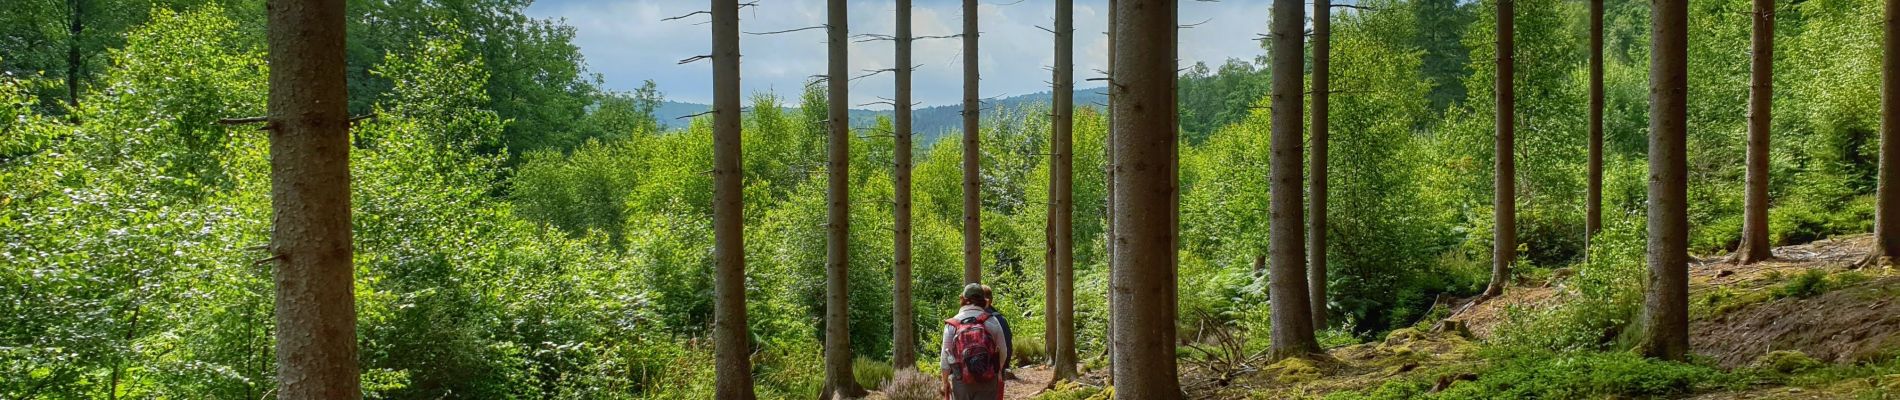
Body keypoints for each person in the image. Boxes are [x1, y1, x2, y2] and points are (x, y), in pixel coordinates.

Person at [942, 283, 1009, 400]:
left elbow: (945, 356)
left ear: (962, 299)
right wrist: (997, 371)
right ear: (984, 301)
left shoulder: (952, 324)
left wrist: (945, 381)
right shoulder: (992, 321)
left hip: (961, 381)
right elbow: (1003, 351)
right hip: (988, 379)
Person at [978, 285, 1013, 372]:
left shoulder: (971, 319)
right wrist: (1003, 366)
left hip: (973, 367)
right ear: (991, 300)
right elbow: (1008, 344)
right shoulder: (1001, 319)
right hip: (996, 367)